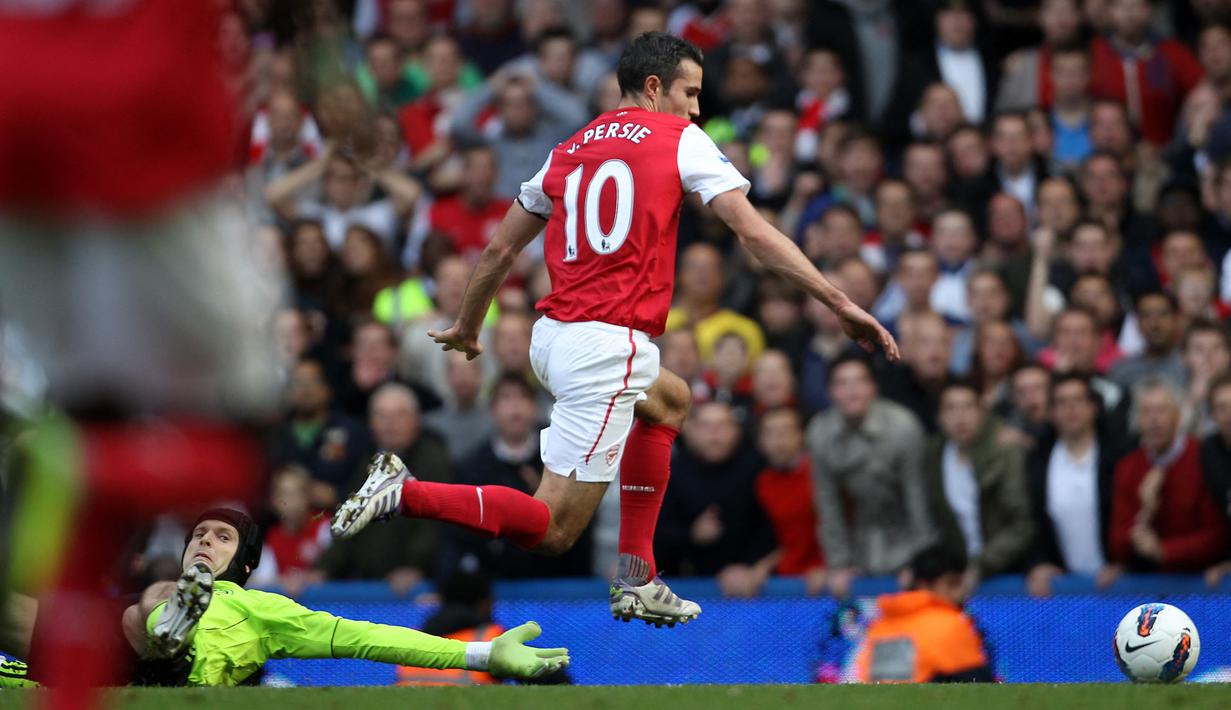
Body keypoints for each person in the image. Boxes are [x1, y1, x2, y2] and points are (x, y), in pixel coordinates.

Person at [331, 31, 898, 626]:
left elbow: (499, 250)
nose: (696, 109)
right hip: (605, 347)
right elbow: (753, 233)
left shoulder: (568, 148)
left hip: (552, 335)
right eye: (689, 93)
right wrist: (839, 302)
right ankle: (405, 492)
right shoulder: (680, 139)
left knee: (670, 398)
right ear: (653, 87)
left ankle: (637, 575)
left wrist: (469, 325)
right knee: (553, 529)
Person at [808, 354, 932, 598]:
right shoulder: (820, 431)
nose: (852, 392)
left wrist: (923, 563)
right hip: (861, 544)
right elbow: (827, 504)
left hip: (906, 539)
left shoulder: (902, 426)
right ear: (830, 392)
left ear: (874, 387)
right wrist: (839, 564)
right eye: (842, 384)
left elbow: (919, 500)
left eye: (859, 382)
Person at [1024, 374, 1124, 597]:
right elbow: (1031, 521)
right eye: (1062, 402)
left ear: (1093, 407)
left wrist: (1126, 563)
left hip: (1118, 585)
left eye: (1078, 400)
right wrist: (1038, 563)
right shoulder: (1037, 461)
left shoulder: (1118, 457)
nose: (1071, 409)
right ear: (1051, 412)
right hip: (1063, 590)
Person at [854, 543, 993, 684]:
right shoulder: (950, 624)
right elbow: (980, 685)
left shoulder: (880, 626)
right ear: (923, 584)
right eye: (952, 584)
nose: (961, 593)